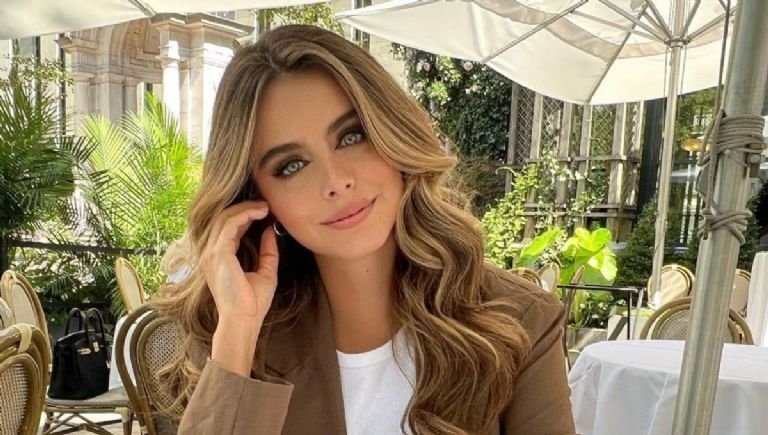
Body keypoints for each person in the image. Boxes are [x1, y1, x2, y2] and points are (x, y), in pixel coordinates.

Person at [152, 24, 575, 435]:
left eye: (351, 137)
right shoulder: (229, 332)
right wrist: (238, 334)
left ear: (393, 133)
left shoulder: (520, 322)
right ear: (257, 197)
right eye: (292, 166)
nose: (336, 182)